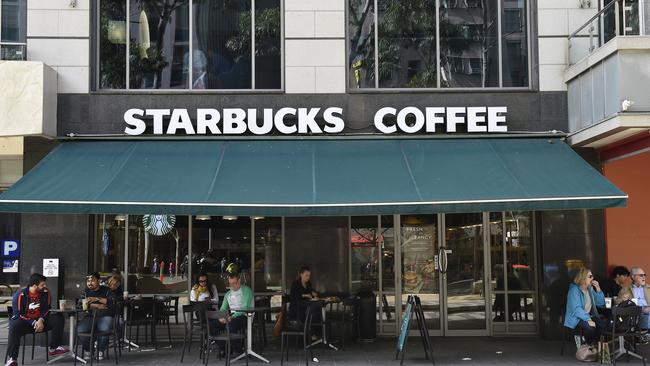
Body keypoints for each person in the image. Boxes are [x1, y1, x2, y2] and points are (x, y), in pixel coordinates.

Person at [5, 273, 68, 366]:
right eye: (42, 285)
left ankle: (54, 348)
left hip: (41, 322)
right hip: (26, 323)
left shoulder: (45, 292)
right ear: (34, 286)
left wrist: (41, 320)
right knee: (14, 326)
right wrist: (33, 322)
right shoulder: (20, 295)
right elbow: (18, 314)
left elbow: (47, 309)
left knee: (58, 318)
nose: (45, 286)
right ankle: (12, 359)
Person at [77, 272, 115, 360]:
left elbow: (113, 302)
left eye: (92, 280)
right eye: (88, 281)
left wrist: (96, 299)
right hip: (90, 316)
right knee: (80, 330)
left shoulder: (106, 290)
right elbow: (79, 305)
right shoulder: (85, 292)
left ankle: (100, 350)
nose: (90, 283)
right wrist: (96, 305)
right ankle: (89, 350)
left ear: (99, 281)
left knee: (104, 329)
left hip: (105, 315)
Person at [564, 267, 606, 345]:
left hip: (588, 315)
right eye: (590, 276)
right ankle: (587, 345)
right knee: (590, 328)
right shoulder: (574, 290)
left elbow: (600, 303)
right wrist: (588, 320)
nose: (592, 278)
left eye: (592, 276)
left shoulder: (590, 289)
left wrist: (598, 288)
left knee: (603, 325)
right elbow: (577, 309)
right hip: (576, 317)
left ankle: (592, 344)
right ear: (583, 278)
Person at [214, 269, 252, 348]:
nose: (232, 286)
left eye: (234, 283)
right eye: (230, 284)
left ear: (239, 281)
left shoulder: (246, 290)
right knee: (212, 326)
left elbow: (245, 308)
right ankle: (224, 348)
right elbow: (223, 308)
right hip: (231, 316)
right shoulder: (228, 294)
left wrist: (232, 317)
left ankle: (238, 349)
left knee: (230, 325)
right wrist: (222, 317)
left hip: (245, 316)